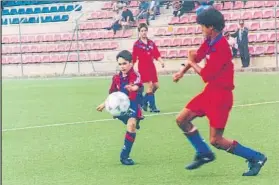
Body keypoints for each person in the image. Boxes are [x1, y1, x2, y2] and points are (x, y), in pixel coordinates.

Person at [172, 8, 266, 176]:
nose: (200, 28)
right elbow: (197, 57)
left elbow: (206, 74)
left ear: (211, 27)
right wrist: (182, 71)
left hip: (221, 96)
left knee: (216, 140)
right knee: (181, 120)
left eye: (202, 26)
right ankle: (204, 153)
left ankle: (256, 157)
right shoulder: (209, 41)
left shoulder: (222, 47)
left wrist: (190, 62)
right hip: (210, 92)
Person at [96, 50, 143, 165]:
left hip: (133, 104)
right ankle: (133, 122)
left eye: (125, 63)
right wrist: (104, 103)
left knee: (131, 125)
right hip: (120, 107)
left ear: (131, 63)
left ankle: (124, 156)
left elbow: (138, 85)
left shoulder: (135, 75)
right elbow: (112, 93)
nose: (122, 66)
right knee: (131, 125)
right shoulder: (116, 78)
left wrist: (133, 88)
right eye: (120, 64)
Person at [132, 23, 165, 113]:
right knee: (150, 85)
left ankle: (144, 102)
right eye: (142, 31)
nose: (144, 32)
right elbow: (134, 58)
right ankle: (153, 107)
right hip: (143, 67)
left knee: (156, 86)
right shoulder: (137, 44)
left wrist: (161, 62)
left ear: (147, 31)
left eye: (145, 30)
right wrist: (131, 67)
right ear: (139, 32)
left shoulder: (151, 43)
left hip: (151, 66)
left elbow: (156, 54)